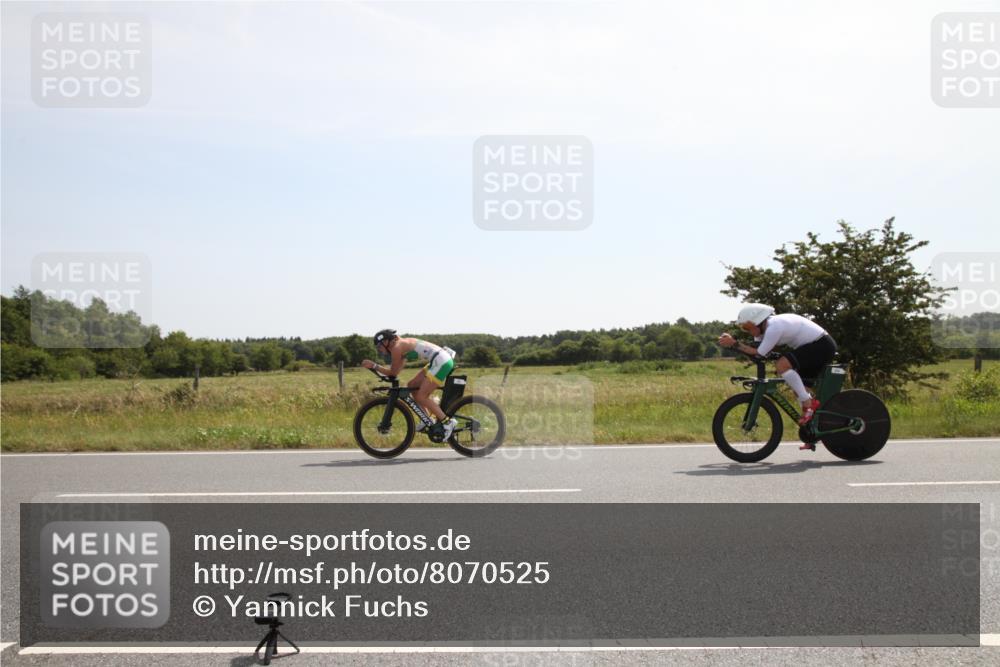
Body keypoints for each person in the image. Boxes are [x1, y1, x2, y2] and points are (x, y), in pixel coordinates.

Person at [718, 304, 838, 450]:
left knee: (782, 366)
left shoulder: (774, 326)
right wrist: (733, 345)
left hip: (821, 345)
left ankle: (809, 403)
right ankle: (812, 433)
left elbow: (759, 353)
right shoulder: (762, 331)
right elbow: (755, 353)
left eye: (748, 328)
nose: (748, 332)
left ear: (758, 321)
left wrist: (735, 343)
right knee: (799, 389)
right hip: (814, 346)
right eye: (745, 329)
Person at [361, 329, 458, 439]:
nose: (380, 350)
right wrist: (381, 371)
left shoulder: (396, 348)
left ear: (386, 342)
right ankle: (428, 420)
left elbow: (392, 372)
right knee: (412, 385)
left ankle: (448, 422)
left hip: (441, 361)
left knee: (422, 396)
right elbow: (396, 372)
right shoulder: (400, 346)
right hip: (438, 360)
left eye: (379, 346)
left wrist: (374, 366)